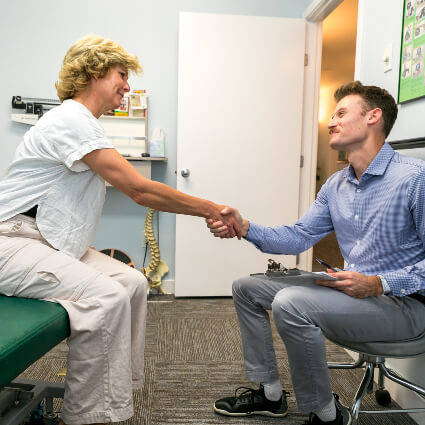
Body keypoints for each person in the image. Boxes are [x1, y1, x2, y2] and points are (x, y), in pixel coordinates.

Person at [0, 34, 240, 425]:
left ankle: (111, 397)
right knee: (106, 297)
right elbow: (139, 189)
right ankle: (82, 416)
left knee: (132, 283)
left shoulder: (84, 124)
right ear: (94, 73)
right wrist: (213, 209)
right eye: (121, 74)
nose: (127, 86)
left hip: (46, 240)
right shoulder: (70, 119)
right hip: (12, 242)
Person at [207, 81, 425, 425]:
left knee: (290, 302)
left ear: (374, 116)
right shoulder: (337, 184)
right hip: (352, 290)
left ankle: (326, 415)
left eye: (341, 113)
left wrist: (379, 283)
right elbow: (299, 236)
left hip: (406, 306)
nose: (331, 122)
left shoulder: (415, 179)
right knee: (246, 288)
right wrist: (245, 227)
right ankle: (271, 394)